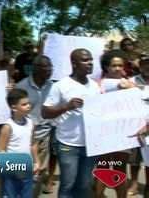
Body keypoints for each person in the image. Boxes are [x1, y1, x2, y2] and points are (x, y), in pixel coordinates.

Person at [42, 49, 101, 198]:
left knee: (84, 185)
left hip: (89, 145)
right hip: (67, 144)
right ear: (74, 64)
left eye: (91, 60)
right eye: (85, 60)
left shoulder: (95, 86)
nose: (90, 63)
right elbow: (45, 112)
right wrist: (66, 106)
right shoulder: (60, 86)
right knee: (68, 185)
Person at [95, 50, 135, 198]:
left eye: (120, 65)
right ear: (106, 67)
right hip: (103, 132)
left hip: (123, 133)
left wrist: (133, 88)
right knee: (103, 167)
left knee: (120, 168)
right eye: (113, 65)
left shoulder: (131, 83)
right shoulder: (98, 85)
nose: (117, 68)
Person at [15, 55, 56, 196]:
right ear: (35, 69)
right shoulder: (21, 86)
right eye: (46, 67)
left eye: (51, 67)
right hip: (25, 134)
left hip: (45, 132)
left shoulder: (53, 87)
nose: (50, 70)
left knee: (39, 169)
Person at [0, 89, 41, 198]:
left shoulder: (31, 123)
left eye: (28, 103)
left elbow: (33, 143)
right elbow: (1, 150)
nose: (28, 106)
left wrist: (37, 161)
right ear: (13, 107)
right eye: (24, 104)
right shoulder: (8, 127)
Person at [127, 53, 149, 196]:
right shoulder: (131, 81)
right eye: (145, 63)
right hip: (134, 126)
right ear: (140, 65)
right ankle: (134, 184)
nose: (147, 66)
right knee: (134, 159)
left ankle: (148, 185)